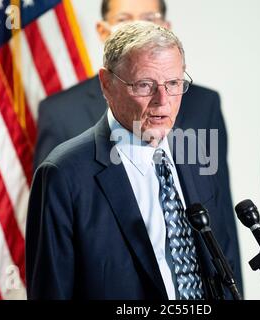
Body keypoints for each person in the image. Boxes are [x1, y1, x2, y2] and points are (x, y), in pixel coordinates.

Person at [34, 0, 242, 292]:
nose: (163, 101)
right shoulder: (64, 174)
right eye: (144, 85)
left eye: (173, 83)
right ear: (107, 84)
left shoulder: (196, 155)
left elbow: (224, 259)